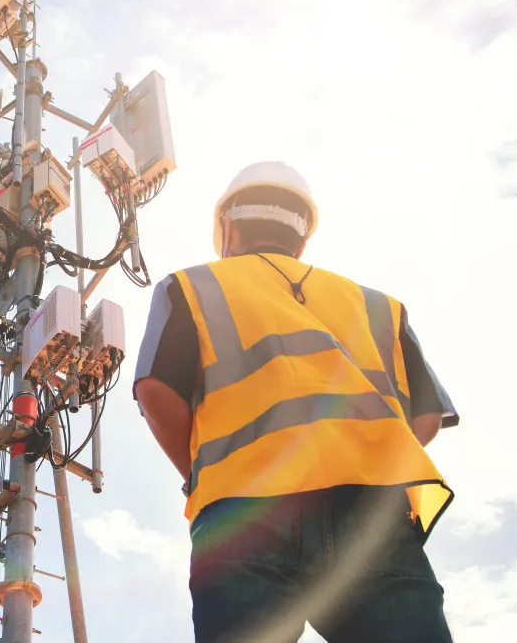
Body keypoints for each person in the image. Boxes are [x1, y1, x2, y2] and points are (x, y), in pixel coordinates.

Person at [132, 161, 460, 643]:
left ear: (228, 227)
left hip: (244, 507)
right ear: (303, 238)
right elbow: (427, 416)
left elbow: (156, 390)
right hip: (372, 512)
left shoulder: (191, 286)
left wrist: (201, 476)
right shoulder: (379, 306)